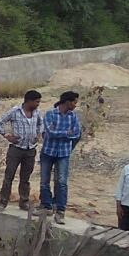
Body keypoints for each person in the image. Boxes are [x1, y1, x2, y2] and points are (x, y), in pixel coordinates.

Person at [0, 89, 44, 212]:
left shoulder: (37, 113)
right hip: (16, 149)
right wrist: (6, 135)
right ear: (29, 101)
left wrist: (39, 134)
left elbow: (40, 124)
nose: (38, 104)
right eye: (36, 102)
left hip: (30, 149)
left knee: (25, 178)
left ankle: (24, 202)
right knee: (9, 176)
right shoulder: (15, 111)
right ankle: (3, 202)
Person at [40, 91, 82, 225]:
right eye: (74, 102)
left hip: (63, 153)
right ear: (67, 102)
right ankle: (46, 206)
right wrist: (67, 133)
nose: (75, 105)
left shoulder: (73, 116)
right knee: (44, 181)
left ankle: (60, 210)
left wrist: (60, 133)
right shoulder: (50, 114)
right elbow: (50, 132)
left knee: (62, 182)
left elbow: (76, 133)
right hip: (48, 151)